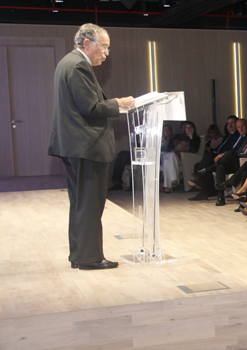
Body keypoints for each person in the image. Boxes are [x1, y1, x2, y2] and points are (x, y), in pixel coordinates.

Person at [48, 23, 135, 270]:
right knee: (90, 204)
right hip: (86, 145)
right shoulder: (78, 66)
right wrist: (119, 103)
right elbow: (91, 107)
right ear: (87, 44)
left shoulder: (68, 62)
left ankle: (79, 254)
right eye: (104, 47)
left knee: (80, 203)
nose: (106, 53)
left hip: (76, 145)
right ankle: (90, 258)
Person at [162, 121, 200, 193]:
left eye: (190, 128)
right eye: (186, 128)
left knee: (167, 161)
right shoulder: (178, 136)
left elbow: (193, 150)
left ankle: (168, 186)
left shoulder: (196, 138)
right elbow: (169, 148)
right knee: (170, 156)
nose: (188, 130)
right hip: (173, 156)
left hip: (184, 158)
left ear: (193, 129)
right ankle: (173, 180)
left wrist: (191, 137)